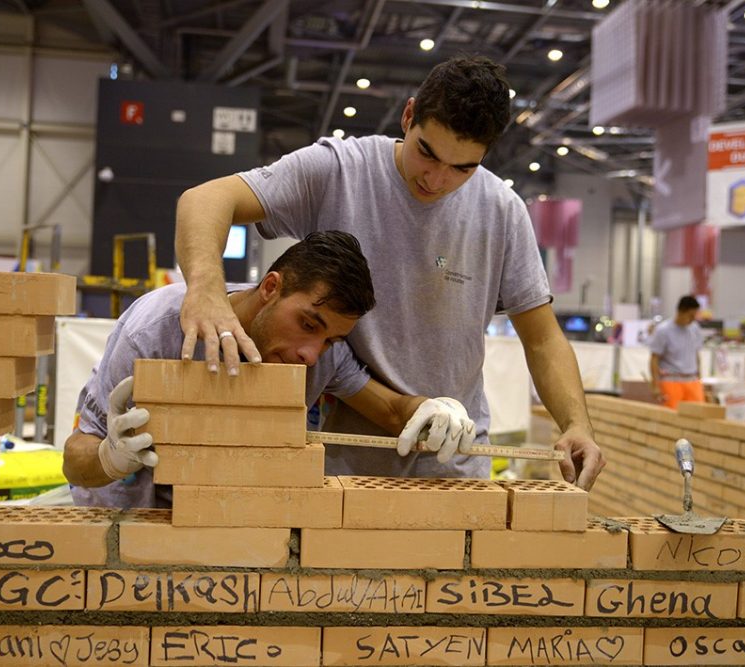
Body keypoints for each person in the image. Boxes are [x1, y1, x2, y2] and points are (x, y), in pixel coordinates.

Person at [173, 55, 604, 489]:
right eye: (427, 153)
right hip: (340, 466)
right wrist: (206, 290)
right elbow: (206, 199)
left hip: (453, 464)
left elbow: (543, 339)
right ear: (409, 115)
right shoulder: (339, 170)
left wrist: (576, 424)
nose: (436, 180)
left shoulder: (502, 211)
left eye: (462, 168)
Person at [63, 231, 476, 508]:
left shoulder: (321, 357)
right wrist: (108, 458)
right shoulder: (157, 330)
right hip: (132, 537)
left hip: (234, 539)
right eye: (308, 325)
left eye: (331, 340)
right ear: (270, 288)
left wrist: (433, 410)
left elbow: (391, 411)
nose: (311, 355)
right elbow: (74, 459)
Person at [649, 295, 705, 409]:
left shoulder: (695, 329)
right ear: (681, 311)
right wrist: (655, 385)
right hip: (671, 381)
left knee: (698, 415)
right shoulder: (663, 331)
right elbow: (654, 358)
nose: (693, 319)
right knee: (672, 416)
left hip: (692, 381)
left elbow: (696, 355)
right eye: (690, 316)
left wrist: (699, 378)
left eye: (694, 316)